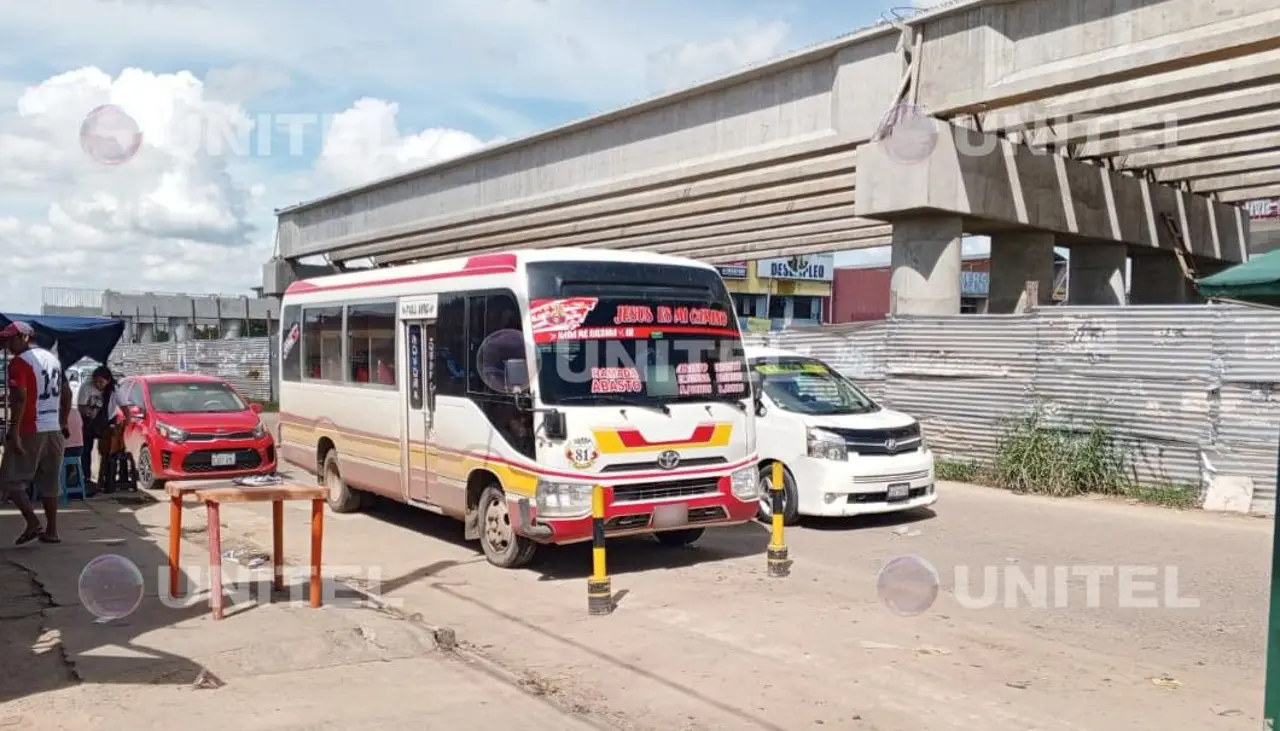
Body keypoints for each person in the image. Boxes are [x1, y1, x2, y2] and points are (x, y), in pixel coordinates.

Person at [0, 321, 70, 545]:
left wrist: (14, 431)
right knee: (50, 483)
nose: (8, 345)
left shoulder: (20, 363)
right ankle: (52, 531)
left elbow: (20, 397)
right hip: (53, 429)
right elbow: (66, 393)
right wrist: (63, 421)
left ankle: (32, 522)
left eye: (11, 340)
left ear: (24, 337)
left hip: (31, 428)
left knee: (9, 480)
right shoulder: (53, 360)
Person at [78, 365, 129, 491]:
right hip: (90, 421)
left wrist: (124, 424)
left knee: (108, 451)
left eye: (101, 382)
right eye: (96, 381)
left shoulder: (115, 389)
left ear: (108, 381)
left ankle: (106, 479)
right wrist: (90, 413)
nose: (98, 384)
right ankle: (86, 478)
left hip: (108, 420)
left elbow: (125, 408)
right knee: (86, 450)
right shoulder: (86, 386)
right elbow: (81, 406)